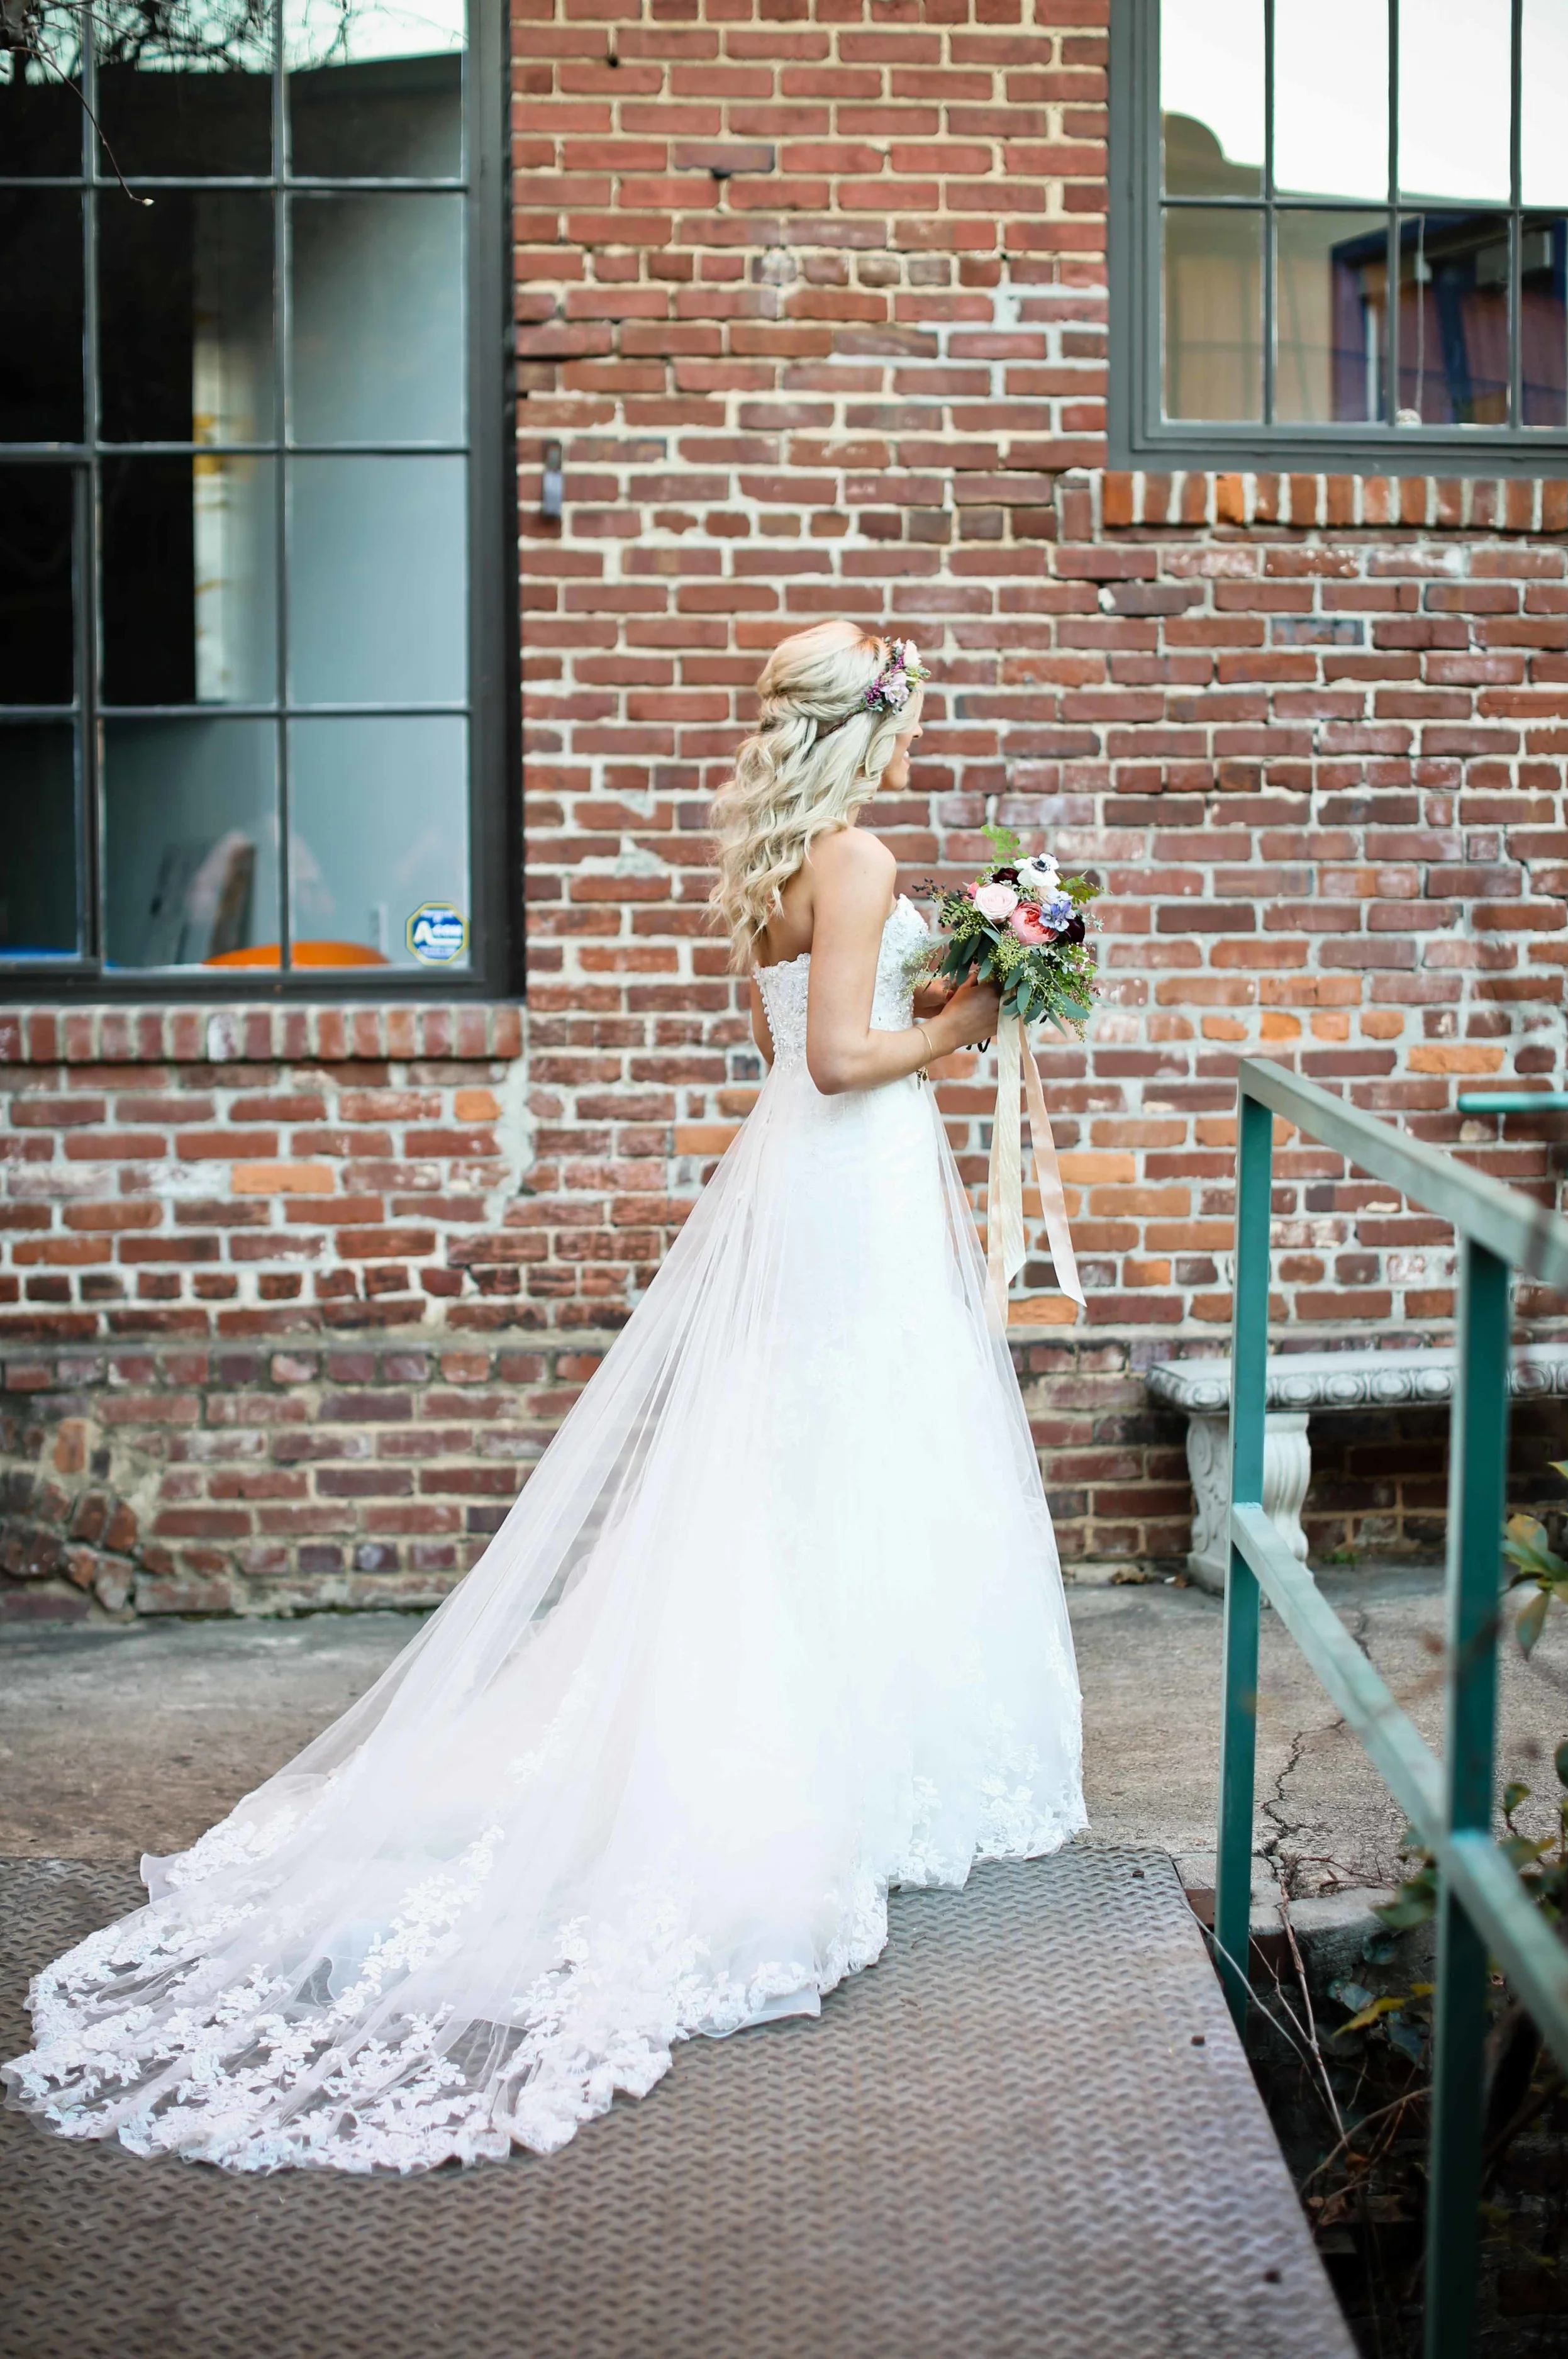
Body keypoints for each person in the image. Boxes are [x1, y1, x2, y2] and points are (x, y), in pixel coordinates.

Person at [3, 620, 1086, 2174]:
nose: (916, 735)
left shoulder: (771, 865)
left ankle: (844, 1723)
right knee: (857, 1446)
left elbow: (768, 1049)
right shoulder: (853, 859)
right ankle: (846, 1758)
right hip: (847, 1174)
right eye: (905, 710)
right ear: (869, 725)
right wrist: (965, 1021)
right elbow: (844, 1062)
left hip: (801, 1178)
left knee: (802, 1459)